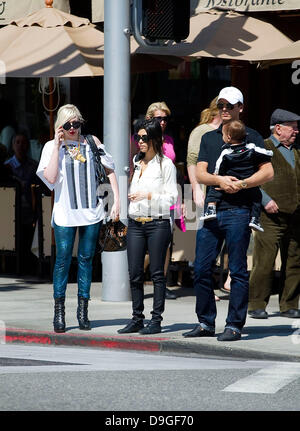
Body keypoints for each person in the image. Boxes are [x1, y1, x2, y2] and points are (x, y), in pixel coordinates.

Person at [183, 86, 274, 341]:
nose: (224, 109)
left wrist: (242, 184)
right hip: (213, 208)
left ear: (240, 108)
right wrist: (220, 180)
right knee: (201, 268)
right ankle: (205, 322)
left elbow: (268, 172)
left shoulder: (252, 136)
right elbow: (200, 173)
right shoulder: (209, 138)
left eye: (229, 106)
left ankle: (234, 325)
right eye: (221, 105)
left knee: (237, 270)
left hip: (240, 209)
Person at [36, 104, 120, 333]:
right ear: (60, 126)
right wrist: (57, 146)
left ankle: (83, 312)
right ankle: (59, 312)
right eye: (68, 125)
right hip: (65, 213)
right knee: (62, 261)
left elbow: (109, 170)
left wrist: (116, 201)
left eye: (77, 124)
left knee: (86, 259)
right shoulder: (51, 147)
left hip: (91, 211)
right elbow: (50, 179)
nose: (73, 128)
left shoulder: (92, 142)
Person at [118, 118, 178, 335]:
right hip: (135, 222)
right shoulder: (136, 161)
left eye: (144, 138)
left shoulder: (165, 165)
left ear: (155, 139)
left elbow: (172, 199)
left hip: (158, 223)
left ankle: (156, 320)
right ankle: (136, 318)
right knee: (134, 273)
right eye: (137, 137)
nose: (140, 141)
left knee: (156, 273)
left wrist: (148, 194)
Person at [248, 108, 300, 319]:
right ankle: (256, 304)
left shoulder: (297, 150)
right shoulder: (263, 147)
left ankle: (289, 305)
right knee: (265, 261)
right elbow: (250, 180)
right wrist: (265, 200)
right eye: (293, 128)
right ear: (278, 128)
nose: (296, 131)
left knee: (294, 260)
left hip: (295, 215)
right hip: (269, 216)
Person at [134, 101, 178, 299]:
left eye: (165, 119)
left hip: (164, 194)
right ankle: (138, 278)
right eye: (158, 118)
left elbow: (171, 169)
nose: (162, 122)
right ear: (149, 119)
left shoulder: (168, 140)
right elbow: (133, 163)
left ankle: (162, 281)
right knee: (143, 246)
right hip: (141, 199)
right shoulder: (139, 141)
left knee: (165, 243)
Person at [201, 119, 273, 233]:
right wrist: (270, 153)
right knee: (257, 195)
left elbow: (218, 164)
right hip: (246, 177)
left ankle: (211, 208)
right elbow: (264, 152)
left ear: (228, 137)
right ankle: (255, 219)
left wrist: (217, 176)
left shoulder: (226, 152)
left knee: (215, 189)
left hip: (230, 179)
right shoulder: (251, 147)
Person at [186, 97, 224, 300]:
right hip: (205, 193)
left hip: (224, 196)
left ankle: (220, 282)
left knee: (221, 239)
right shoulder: (201, 131)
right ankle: (205, 287)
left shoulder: (230, 131)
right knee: (206, 241)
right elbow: (191, 161)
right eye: (224, 107)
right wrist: (195, 189)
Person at [5, 132, 40, 273]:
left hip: (30, 213)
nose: (20, 146)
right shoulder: (6, 167)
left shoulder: (34, 166)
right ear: (13, 146)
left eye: (23, 142)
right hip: (10, 214)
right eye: (17, 142)